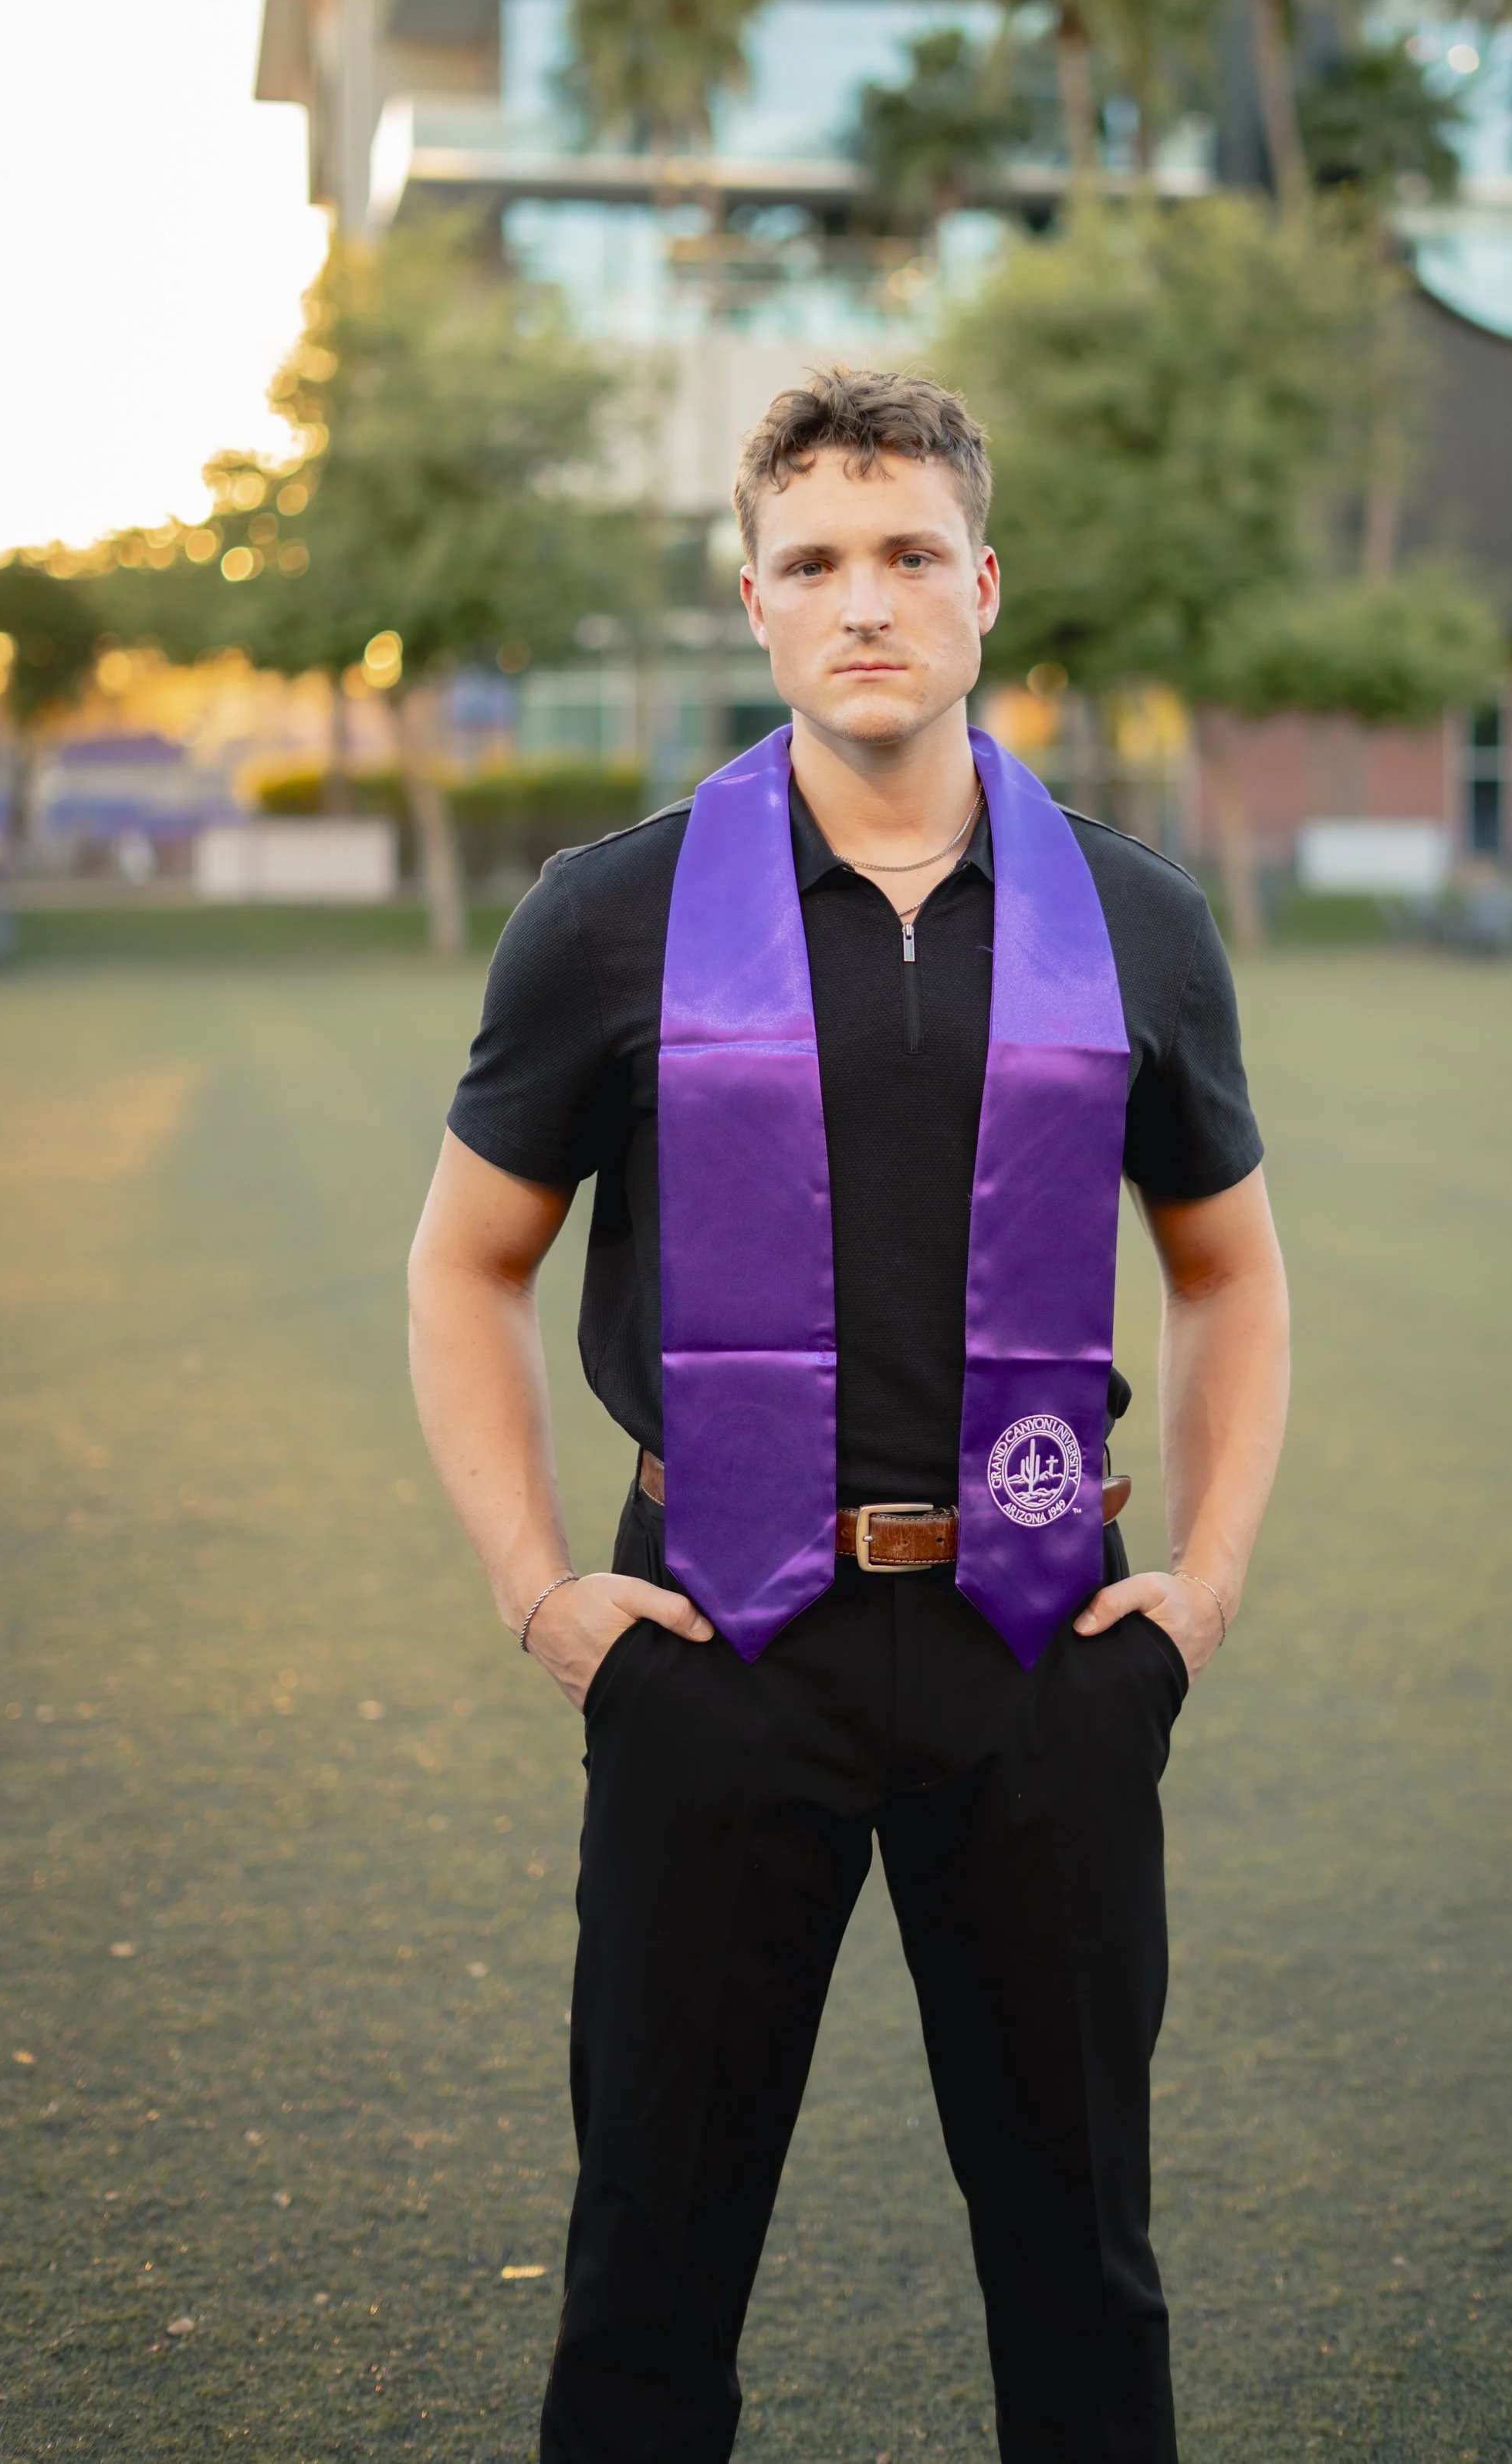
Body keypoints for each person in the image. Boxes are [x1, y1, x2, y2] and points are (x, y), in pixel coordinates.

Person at [408, 368, 1290, 2464]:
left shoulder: (1137, 919)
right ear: (753, 605)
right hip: (718, 1651)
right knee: (649, 2266)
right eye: (813, 562)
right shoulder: (608, 914)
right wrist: (543, 1593)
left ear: (982, 586)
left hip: (1039, 1661)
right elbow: (466, 1260)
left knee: (1081, 2268)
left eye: (907, 554)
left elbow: (1227, 1263)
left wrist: (1204, 1593)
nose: (863, 599)